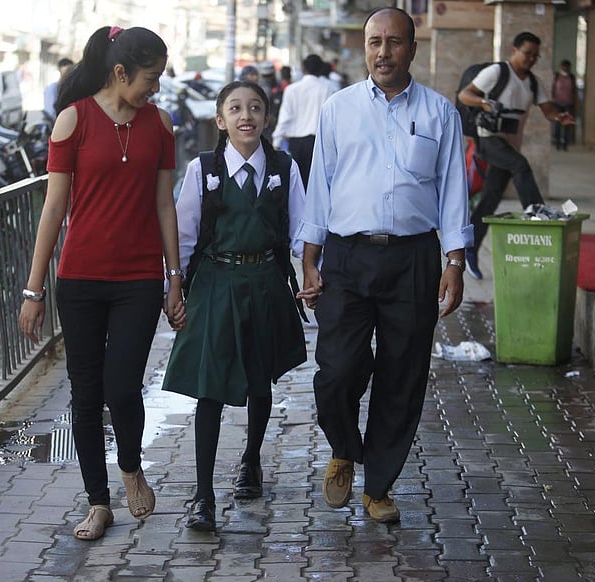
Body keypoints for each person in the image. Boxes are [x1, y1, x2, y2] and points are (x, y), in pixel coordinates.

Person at [296, 7, 472, 524]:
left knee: (403, 374)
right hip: (348, 256)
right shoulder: (338, 109)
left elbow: (454, 192)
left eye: (394, 42)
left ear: (412, 49)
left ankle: (378, 487)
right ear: (365, 48)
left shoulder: (440, 113)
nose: (383, 52)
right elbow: (320, 188)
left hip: (413, 259)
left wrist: (455, 261)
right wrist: (309, 259)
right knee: (337, 369)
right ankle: (344, 447)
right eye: (375, 42)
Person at [18, 25, 184, 542]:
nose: (156, 87)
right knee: (86, 395)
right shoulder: (74, 120)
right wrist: (33, 290)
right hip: (80, 280)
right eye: (150, 77)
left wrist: (174, 278)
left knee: (123, 386)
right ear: (120, 72)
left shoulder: (161, 124)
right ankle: (98, 502)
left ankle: (130, 465)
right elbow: (53, 209)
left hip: (139, 279)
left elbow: (165, 204)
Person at [164, 80, 307, 532]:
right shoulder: (202, 169)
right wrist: (173, 288)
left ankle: (251, 460)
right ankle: (203, 495)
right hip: (215, 283)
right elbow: (185, 234)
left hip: (265, 281)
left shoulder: (284, 167)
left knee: (260, 378)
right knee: (209, 386)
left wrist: (315, 274)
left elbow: (302, 228)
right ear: (220, 120)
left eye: (255, 107)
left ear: (267, 117)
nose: (246, 116)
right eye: (235, 108)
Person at [457, 31, 574, 279]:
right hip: (488, 139)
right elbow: (465, 94)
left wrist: (559, 117)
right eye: (527, 53)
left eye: (535, 56)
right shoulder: (497, 73)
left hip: (508, 143)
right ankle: (537, 213)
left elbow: (547, 108)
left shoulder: (533, 82)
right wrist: (483, 103)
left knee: (491, 198)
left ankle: (469, 249)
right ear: (514, 50)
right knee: (520, 165)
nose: (531, 59)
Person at [271, 54, 335, 190]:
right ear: (320, 69)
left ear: (303, 68)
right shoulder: (328, 89)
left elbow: (285, 117)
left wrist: (276, 140)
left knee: (295, 185)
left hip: (296, 143)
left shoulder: (291, 89)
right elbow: (332, 120)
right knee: (315, 185)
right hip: (318, 143)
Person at [551, 59, 578, 150]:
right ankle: (558, 143)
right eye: (564, 66)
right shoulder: (556, 76)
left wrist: (576, 103)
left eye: (567, 67)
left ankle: (565, 144)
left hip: (568, 104)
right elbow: (553, 89)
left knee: (567, 124)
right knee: (558, 124)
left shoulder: (571, 78)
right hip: (558, 103)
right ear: (561, 67)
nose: (565, 68)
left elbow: (574, 91)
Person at [43, 58, 75, 123]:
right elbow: (50, 112)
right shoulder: (52, 88)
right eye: (66, 71)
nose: (68, 74)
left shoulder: (73, 87)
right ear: (60, 71)